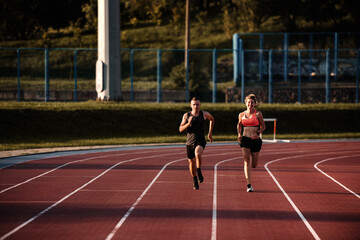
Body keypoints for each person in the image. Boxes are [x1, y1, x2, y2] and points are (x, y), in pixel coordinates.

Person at [179, 97, 214, 190]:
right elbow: (180, 129)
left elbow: (212, 119)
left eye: (197, 104)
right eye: (194, 104)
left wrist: (210, 133)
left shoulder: (204, 114)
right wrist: (188, 123)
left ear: (200, 105)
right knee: (191, 162)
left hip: (200, 140)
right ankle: (194, 179)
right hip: (190, 142)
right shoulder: (186, 116)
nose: (196, 106)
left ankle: (198, 171)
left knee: (198, 153)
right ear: (191, 106)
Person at [237, 94, 266, 192]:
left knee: (254, 164)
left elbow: (263, 127)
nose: (250, 104)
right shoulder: (241, 115)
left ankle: (249, 182)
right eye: (248, 102)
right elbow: (239, 126)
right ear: (246, 103)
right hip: (245, 139)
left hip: (255, 140)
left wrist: (258, 133)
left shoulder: (258, 114)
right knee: (246, 161)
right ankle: (248, 184)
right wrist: (239, 135)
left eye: (252, 102)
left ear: (255, 104)